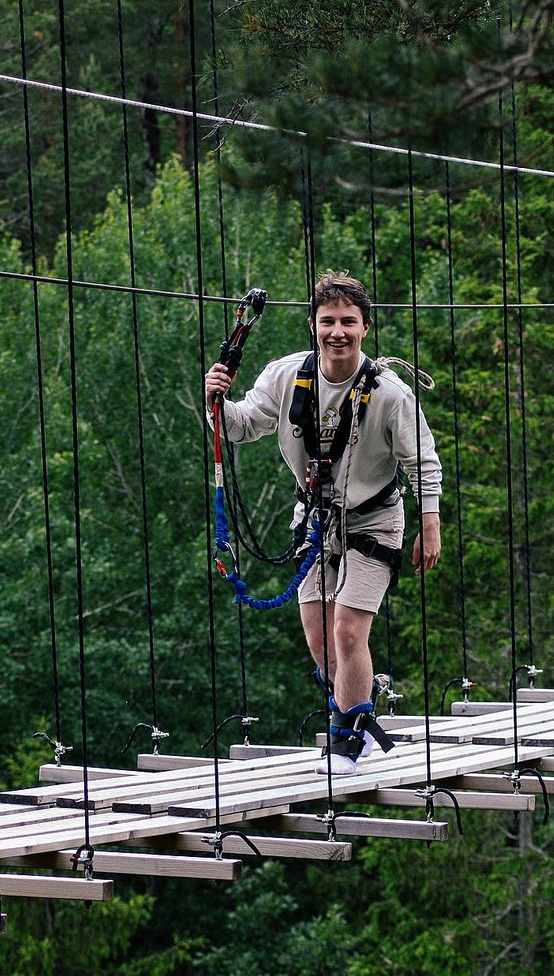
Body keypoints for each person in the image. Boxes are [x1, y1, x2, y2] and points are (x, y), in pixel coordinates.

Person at [204, 271, 442, 776]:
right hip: (314, 520)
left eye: (348, 323)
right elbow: (242, 426)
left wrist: (431, 524)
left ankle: (348, 739)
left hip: (376, 521)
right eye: (328, 321)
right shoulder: (287, 376)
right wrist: (216, 402)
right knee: (319, 639)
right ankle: (359, 709)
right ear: (313, 325)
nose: (338, 332)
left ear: (365, 329)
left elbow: (424, 461)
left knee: (348, 632)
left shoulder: (390, 393)